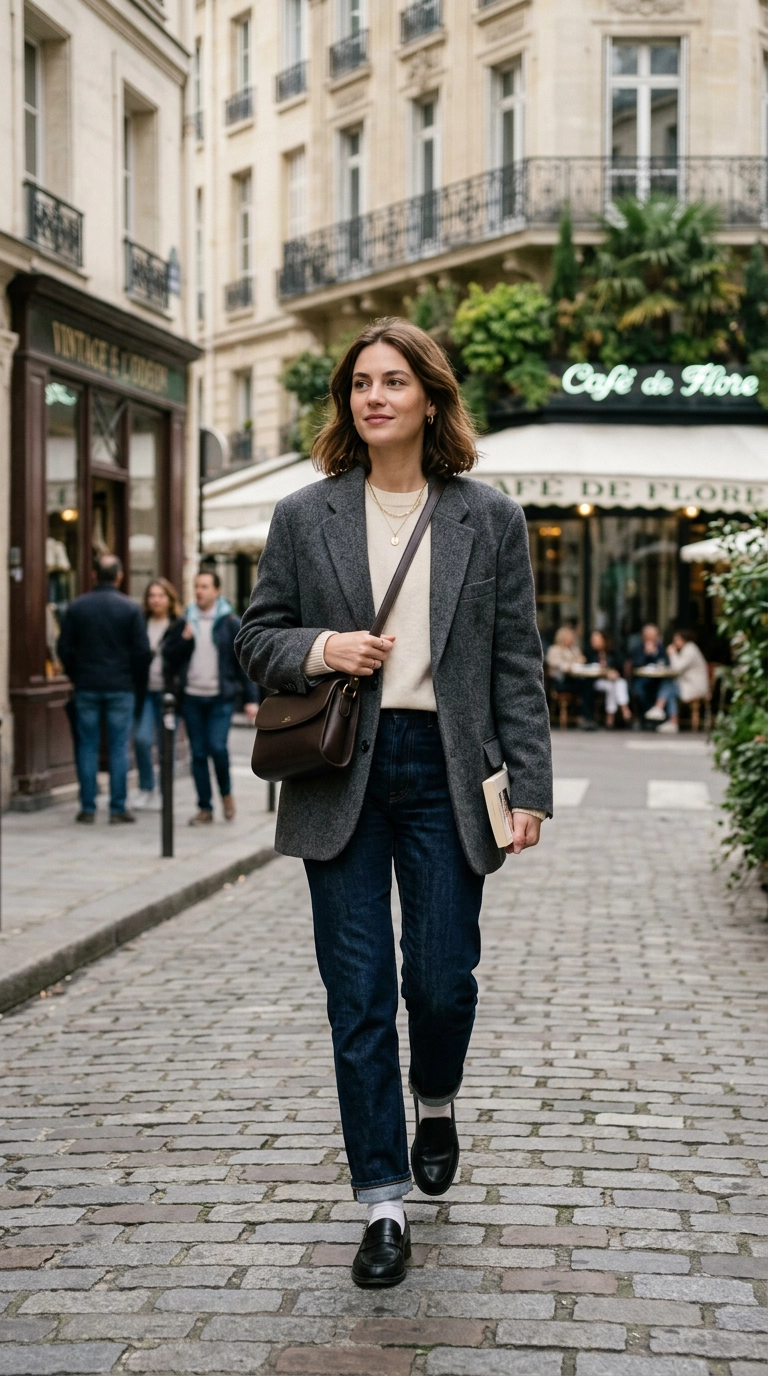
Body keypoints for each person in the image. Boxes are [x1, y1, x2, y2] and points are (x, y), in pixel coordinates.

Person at [236, 318, 553, 1288]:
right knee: (360, 993)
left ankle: (439, 1098)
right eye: (361, 383)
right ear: (348, 403)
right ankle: (381, 1200)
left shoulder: (486, 517)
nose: (375, 396)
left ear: (429, 396)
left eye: (394, 381)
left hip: (449, 770)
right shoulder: (305, 514)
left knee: (443, 977)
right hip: (342, 773)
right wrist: (322, 647)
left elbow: (514, 664)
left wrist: (529, 788)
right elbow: (257, 638)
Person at [57, 554, 150, 824]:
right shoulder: (130, 609)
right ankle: (117, 807)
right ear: (119, 576)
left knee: (87, 746)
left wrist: (76, 673)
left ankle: (87, 807)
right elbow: (142, 652)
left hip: (87, 685)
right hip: (121, 686)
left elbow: (64, 648)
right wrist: (135, 680)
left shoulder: (77, 607)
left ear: (94, 575)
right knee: (119, 746)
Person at [181, 570, 259, 825]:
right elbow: (172, 657)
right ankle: (205, 808)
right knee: (199, 754)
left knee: (217, 747)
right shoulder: (186, 620)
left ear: (216, 591)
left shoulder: (230, 623)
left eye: (204, 586)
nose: (199, 591)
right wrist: (182, 641)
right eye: (196, 586)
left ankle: (226, 794)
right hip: (192, 696)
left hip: (220, 698)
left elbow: (243, 664)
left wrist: (251, 699)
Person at [132, 579, 193, 809]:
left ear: (169, 599)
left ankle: (163, 790)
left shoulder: (179, 625)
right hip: (145, 692)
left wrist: (185, 642)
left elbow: (182, 661)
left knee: (166, 745)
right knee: (141, 739)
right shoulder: (140, 623)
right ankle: (147, 788)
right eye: (152, 596)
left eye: (161, 595)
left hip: (169, 694)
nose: (156, 600)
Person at [645, 630, 710, 734]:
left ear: (683, 640)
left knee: (669, 684)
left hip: (695, 687)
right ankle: (672, 721)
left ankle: (659, 708)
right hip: (687, 684)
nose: (674, 642)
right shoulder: (687, 649)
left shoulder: (690, 650)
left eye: (676, 640)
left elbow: (677, 669)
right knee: (669, 687)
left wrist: (672, 653)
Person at [581, 629, 632, 728]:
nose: (594, 642)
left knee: (618, 683)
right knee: (616, 684)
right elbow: (587, 668)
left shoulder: (613, 652)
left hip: (611, 681)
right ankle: (624, 710)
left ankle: (610, 718)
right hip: (596, 681)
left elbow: (619, 667)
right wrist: (605, 673)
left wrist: (614, 673)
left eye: (596, 640)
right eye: (593, 640)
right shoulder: (589, 653)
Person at [629, 622, 668, 718]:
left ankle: (658, 714)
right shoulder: (638, 648)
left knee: (666, 686)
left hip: (658, 679)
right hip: (642, 678)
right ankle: (646, 714)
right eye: (646, 634)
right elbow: (636, 664)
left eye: (651, 635)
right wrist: (646, 654)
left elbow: (666, 663)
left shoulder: (661, 648)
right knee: (639, 689)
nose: (648, 637)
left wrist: (654, 654)